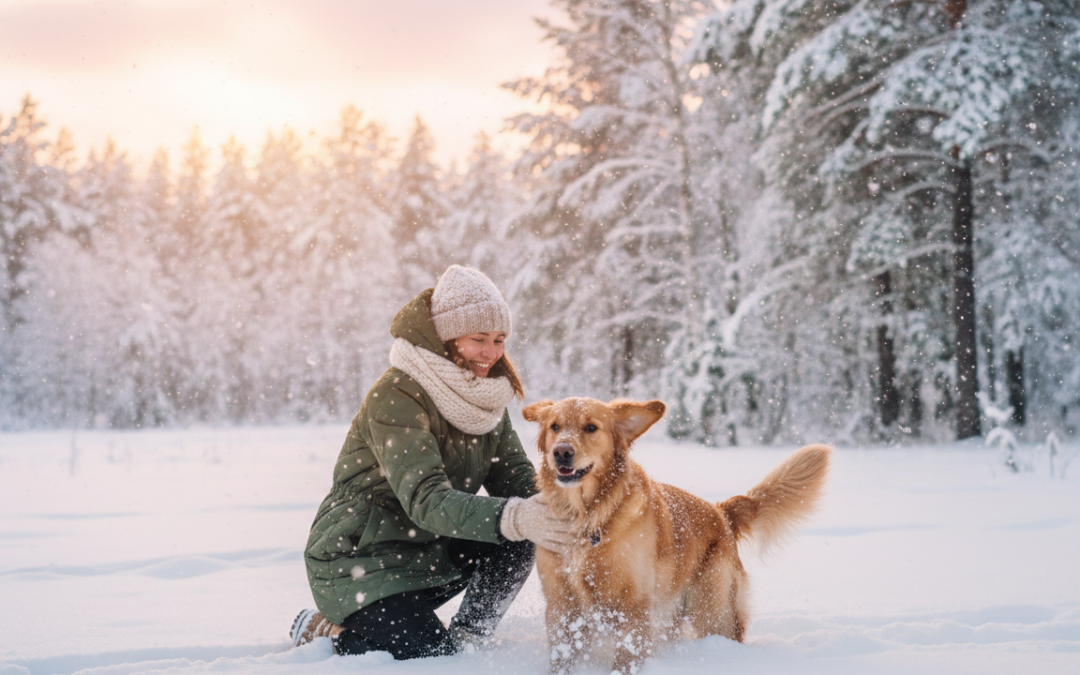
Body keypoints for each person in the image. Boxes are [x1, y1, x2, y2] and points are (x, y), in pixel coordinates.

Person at [290, 265, 575, 659]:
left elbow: (516, 479)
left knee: (522, 530)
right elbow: (426, 499)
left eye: (499, 340)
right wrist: (517, 516)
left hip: (427, 545)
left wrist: (567, 510)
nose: (491, 354)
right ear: (445, 336)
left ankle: (470, 638)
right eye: (478, 339)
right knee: (427, 654)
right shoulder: (397, 394)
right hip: (358, 556)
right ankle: (326, 629)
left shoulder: (485, 400)